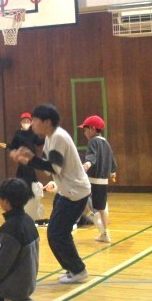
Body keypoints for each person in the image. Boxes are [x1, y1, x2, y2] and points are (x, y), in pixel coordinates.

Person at [10, 104, 91, 284]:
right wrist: (28, 158)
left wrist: (29, 159)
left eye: (35, 120)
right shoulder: (50, 138)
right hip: (67, 191)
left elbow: (54, 167)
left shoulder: (58, 137)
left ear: (47, 122)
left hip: (75, 193)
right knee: (56, 233)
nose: (32, 124)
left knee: (57, 233)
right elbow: (49, 169)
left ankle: (78, 270)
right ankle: (74, 269)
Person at [79, 115, 118, 243]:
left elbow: (92, 156)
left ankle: (91, 216)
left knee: (80, 198)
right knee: (101, 208)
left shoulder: (93, 142)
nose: (84, 133)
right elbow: (112, 159)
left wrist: (87, 164)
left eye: (85, 130)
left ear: (92, 129)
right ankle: (105, 234)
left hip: (92, 180)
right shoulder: (106, 143)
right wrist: (112, 172)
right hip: (103, 181)